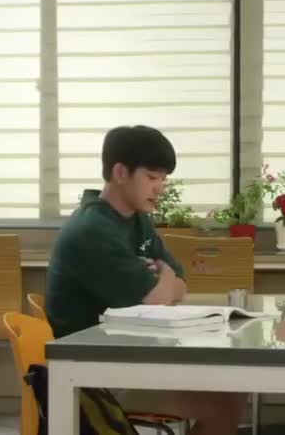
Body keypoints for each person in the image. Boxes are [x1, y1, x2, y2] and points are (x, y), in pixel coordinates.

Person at [46, 125, 245, 435]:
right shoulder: (92, 230)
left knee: (232, 391)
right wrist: (163, 282)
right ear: (120, 173)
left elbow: (180, 282)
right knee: (220, 404)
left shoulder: (136, 220)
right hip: (89, 379)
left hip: (126, 358)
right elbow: (157, 299)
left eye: (163, 179)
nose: (160, 188)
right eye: (152, 178)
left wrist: (164, 279)